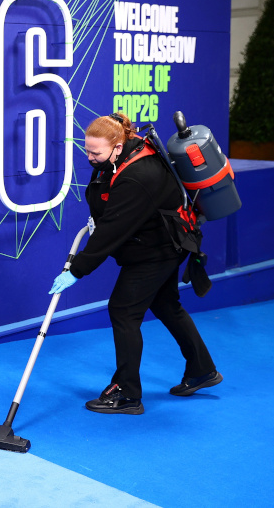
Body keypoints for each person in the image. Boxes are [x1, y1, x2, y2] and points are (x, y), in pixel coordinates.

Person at [49, 112, 221, 414]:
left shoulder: (139, 175)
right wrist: (98, 217)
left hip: (158, 250)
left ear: (117, 146)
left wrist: (76, 271)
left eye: (95, 152)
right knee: (166, 304)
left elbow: (112, 232)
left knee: (123, 310)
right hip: (156, 243)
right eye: (86, 150)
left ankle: (127, 394)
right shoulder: (115, 159)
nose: (89, 157)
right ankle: (202, 369)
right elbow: (108, 202)